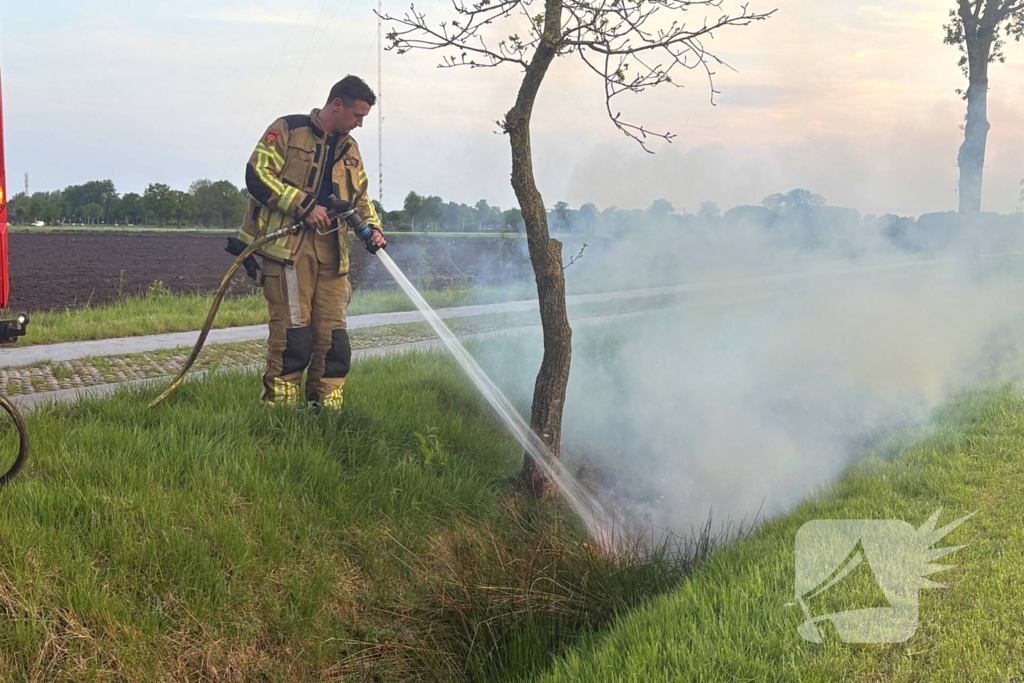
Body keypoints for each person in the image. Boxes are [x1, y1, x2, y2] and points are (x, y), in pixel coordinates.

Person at [236, 75, 386, 409]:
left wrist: (372, 227)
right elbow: (256, 175)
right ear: (337, 105)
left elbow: (360, 198)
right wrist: (304, 206)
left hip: (334, 254)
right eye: (357, 116)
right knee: (294, 339)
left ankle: (326, 413)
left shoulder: (350, 148)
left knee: (334, 341)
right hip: (289, 250)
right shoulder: (288, 130)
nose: (360, 124)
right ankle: (280, 414)